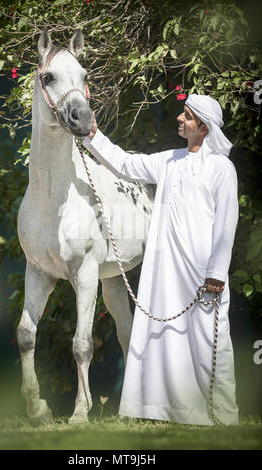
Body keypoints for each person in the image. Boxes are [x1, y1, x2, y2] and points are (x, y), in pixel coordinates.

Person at [82, 94, 239, 425]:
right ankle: (163, 410)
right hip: (165, 271)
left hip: (202, 272)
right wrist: (93, 135)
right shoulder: (170, 160)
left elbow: (226, 224)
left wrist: (217, 272)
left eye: (187, 116)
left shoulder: (222, 168)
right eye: (182, 114)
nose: (180, 120)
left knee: (210, 337)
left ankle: (222, 415)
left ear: (204, 128)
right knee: (163, 337)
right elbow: (125, 163)